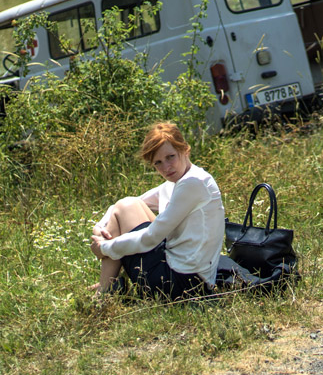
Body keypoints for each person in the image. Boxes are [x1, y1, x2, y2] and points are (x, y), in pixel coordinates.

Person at [89, 122, 224, 299]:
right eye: (158, 163)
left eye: (170, 157)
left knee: (126, 206)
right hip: (187, 277)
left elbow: (151, 237)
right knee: (128, 205)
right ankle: (107, 286)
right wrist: (99, 227)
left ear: (185, 150)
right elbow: (129, 204)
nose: (166, 167)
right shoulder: (181, 180)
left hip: (182, 284)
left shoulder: (193, 183)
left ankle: (104, 293)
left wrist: (104, 248)